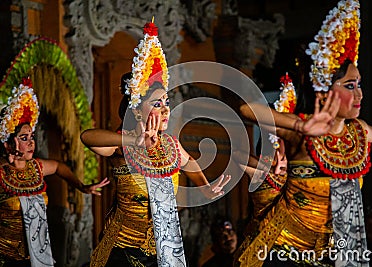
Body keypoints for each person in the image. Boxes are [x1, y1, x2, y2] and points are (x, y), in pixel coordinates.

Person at [236, 0, 372, 266]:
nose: (359, 94)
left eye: (359, 84)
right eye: (349, 86)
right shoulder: (302, 131)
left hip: (333, 253)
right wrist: (300, 125)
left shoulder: (360, 132)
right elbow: (246, 109)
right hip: (284, 252)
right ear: (325, 91)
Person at [82, 20, 231, 267]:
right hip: (123, 251)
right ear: (138, 111)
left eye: (167, 103)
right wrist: (132, 139)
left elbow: (190, 161)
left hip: (162, 249)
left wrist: (204, 187)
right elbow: (88, 137)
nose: (165, 111)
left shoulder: (171, 145)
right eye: (157, 104)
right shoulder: (123, 144)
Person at [0, 77, 109, 267]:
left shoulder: (36, 167)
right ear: (8, 143)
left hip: (36, 256)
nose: (31, 142)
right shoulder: (1, 173)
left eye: (31, 136)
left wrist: (81, 186)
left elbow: (59, 166)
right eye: (24, 138)